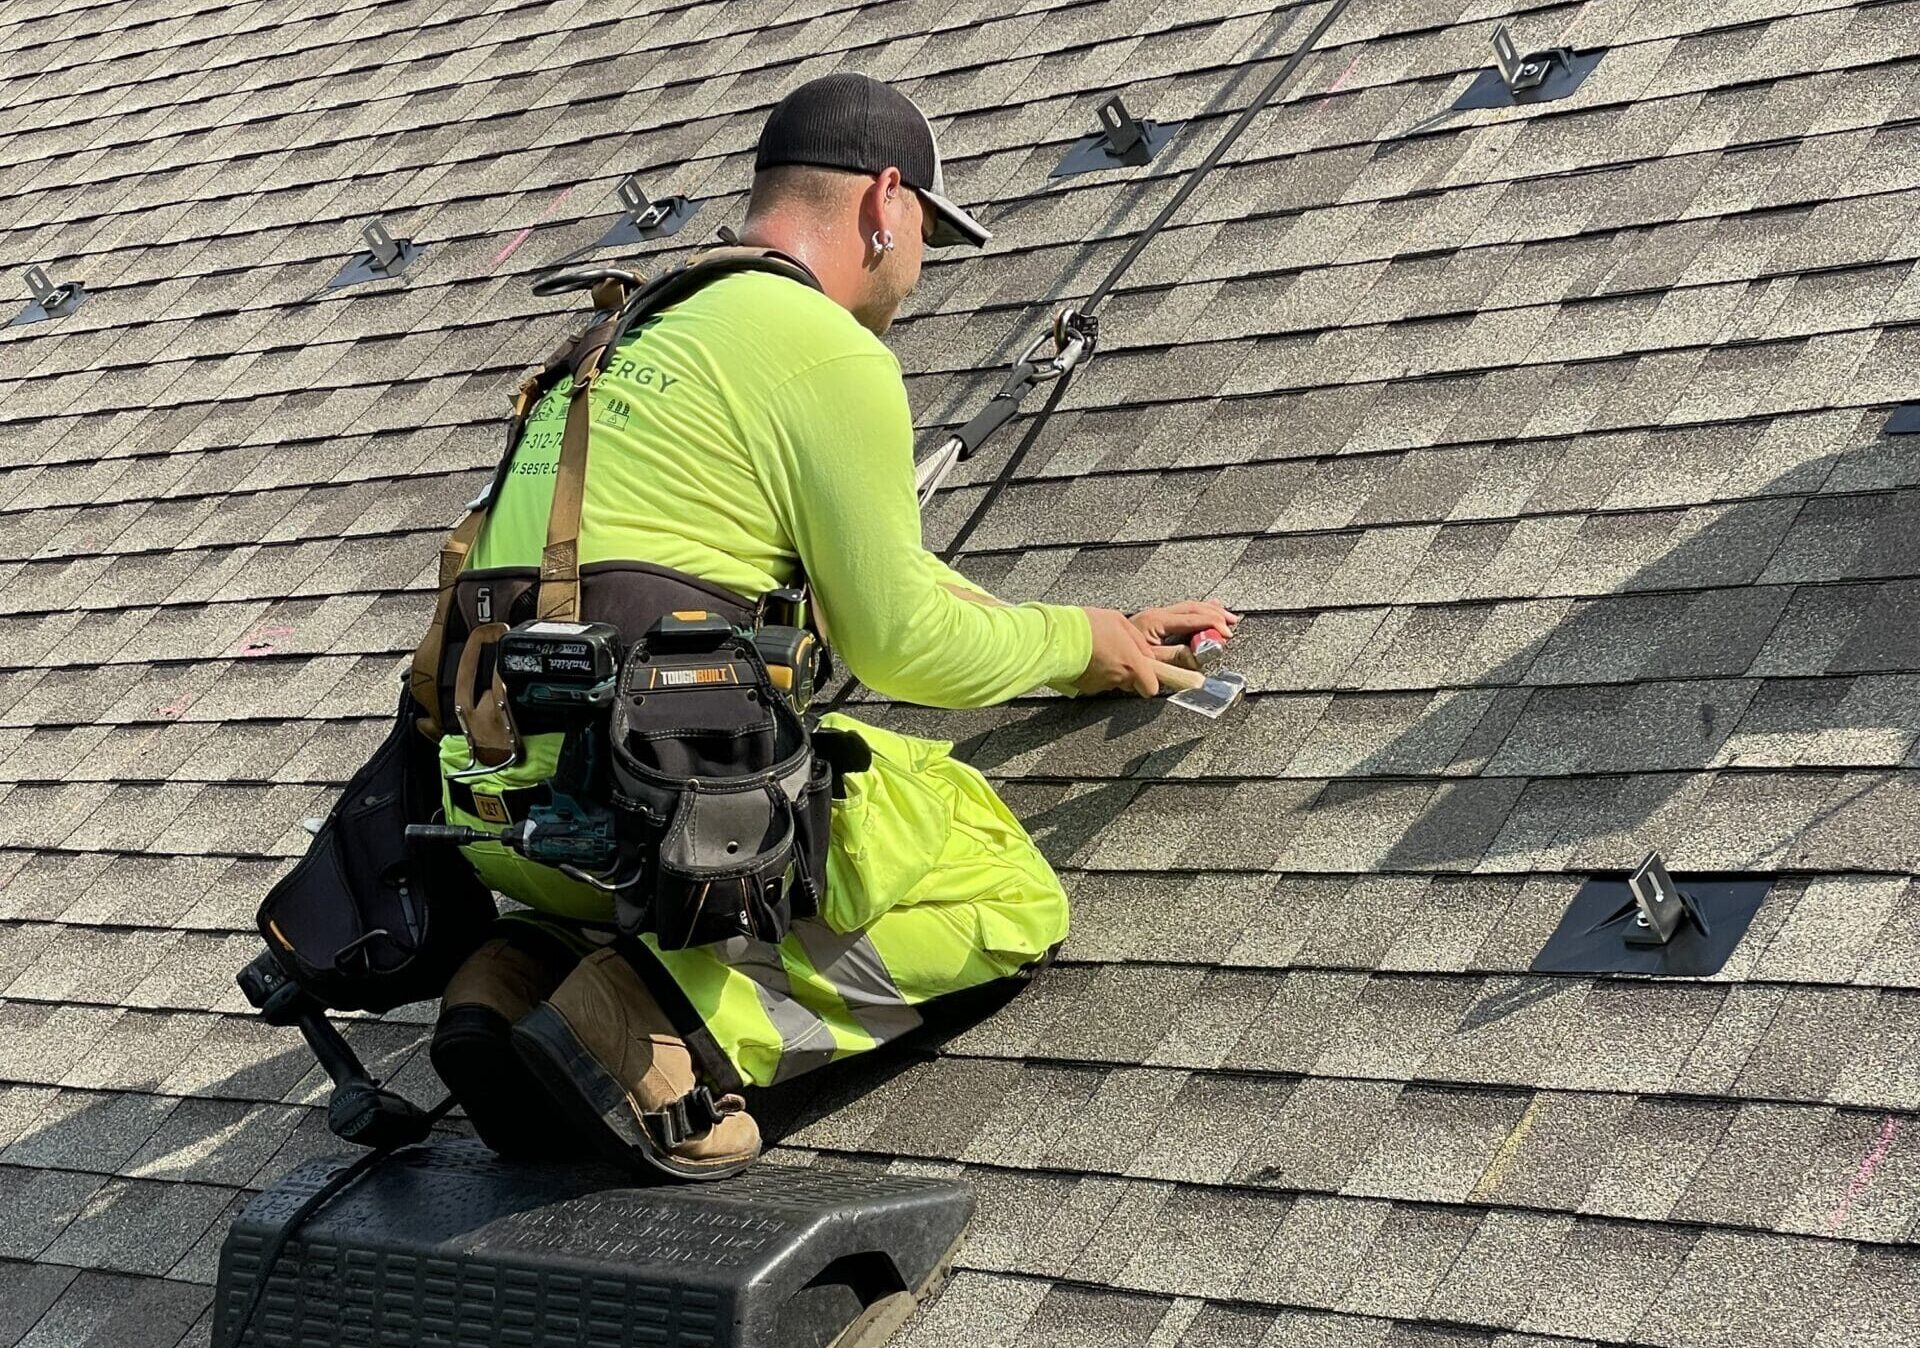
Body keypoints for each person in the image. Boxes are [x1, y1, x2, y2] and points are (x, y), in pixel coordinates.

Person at [427, 71, 1239, 1179]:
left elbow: (881, 576)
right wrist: (1064, 645)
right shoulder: (827, 347)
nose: (915, 275)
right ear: (886, 202)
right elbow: (897, 641)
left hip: (508, 821)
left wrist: (1087, 637)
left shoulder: (627, 332)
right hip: (659, 817)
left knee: (729, 785)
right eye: (924, 244)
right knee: (1003, 881)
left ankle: (513, 976)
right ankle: (673, 1024)